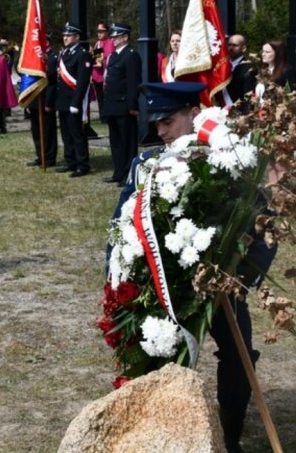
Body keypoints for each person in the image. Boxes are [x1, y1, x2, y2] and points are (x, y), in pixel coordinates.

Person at [112, 81, 276, 452]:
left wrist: (243, 278)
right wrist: (116, 276)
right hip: (164, 292)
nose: (161, 132)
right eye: (157, 125)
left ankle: (229, 435)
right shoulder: (146, 166)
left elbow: (265, 226)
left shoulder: (225, 161)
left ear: (192, 114)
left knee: (238, 358)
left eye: (168, 121)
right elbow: (120, 224)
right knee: (158, 358)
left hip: (222, 288)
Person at [101, 23, 141, 184]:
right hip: (112, 105)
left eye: (117, 36)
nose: (114, 39)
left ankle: (128, 174)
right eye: (113, 37)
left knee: (127, 142)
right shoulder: (114, 55)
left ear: (125, 37)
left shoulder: (131, 55)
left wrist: (132, 106)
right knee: (116, 142)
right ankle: (118, 172)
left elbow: (133, 82)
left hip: (124, 106)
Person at [55, 23, 92, 177]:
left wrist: (75, 103)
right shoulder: (64, 53)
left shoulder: (82, 54)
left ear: (77, 37)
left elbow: (82, 82)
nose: (65, 38)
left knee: (77, 134)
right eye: (64, 35)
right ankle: (70, 161)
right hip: (63, 100)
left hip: (73, 102)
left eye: (68, 35)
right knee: (66, 134)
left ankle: (82, 165)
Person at [27, 34, 59, 168]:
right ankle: (40, 156)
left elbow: (52, 79)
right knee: (36, 129)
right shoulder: (33, 57)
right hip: (35, 98)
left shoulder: (53, 57)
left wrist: (49, 102)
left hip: (46, 98)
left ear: (47, 43)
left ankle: (49, 158)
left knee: (48, 130)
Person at [224, 34, 258, 106]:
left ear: (244, 48)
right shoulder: (222, 67)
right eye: (229, 45)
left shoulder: (249, 68)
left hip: (237, 113)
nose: (231, 48)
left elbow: (248, 97)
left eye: (235, 45)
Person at [91, 23, 112, 110]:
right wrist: (96, 62)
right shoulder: (98, 43)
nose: (99, 34)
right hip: (97, 76)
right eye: (98, 32)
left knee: (107, 97)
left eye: (102, 32)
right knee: (100, 98)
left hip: (106, 75)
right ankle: (102, 116)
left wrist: (102, 63)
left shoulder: (110, 43)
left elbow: (110, 58)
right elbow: (97, 59)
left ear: (107, 32)